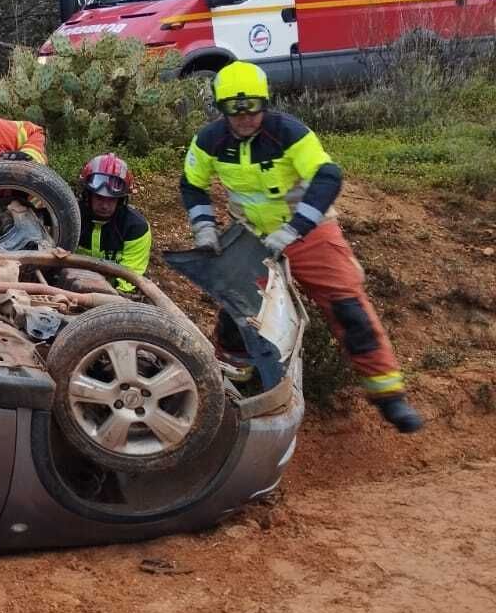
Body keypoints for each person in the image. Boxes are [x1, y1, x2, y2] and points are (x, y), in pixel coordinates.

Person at [181, 61, 423, 434]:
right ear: (221, 108)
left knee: (348, 308)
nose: (245, 118)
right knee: (236, 314)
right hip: (250, 237)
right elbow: (192, 184)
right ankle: (235, 392)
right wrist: (204, 226)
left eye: (252, 108)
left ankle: (389, 396)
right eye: (234, 109)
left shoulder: (290, 133)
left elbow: (327, 177)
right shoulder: (210, 140)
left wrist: (294, 229)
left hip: (308, 233)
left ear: (265, 103)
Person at [75, 153, 151, 292]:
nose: (104, 205)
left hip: (115, 293)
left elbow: (130, 278)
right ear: (88, 195)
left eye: (111, 199)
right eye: (99, 197)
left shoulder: (136, 228)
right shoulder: (70, 216)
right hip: (70, 284)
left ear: (121, 199)